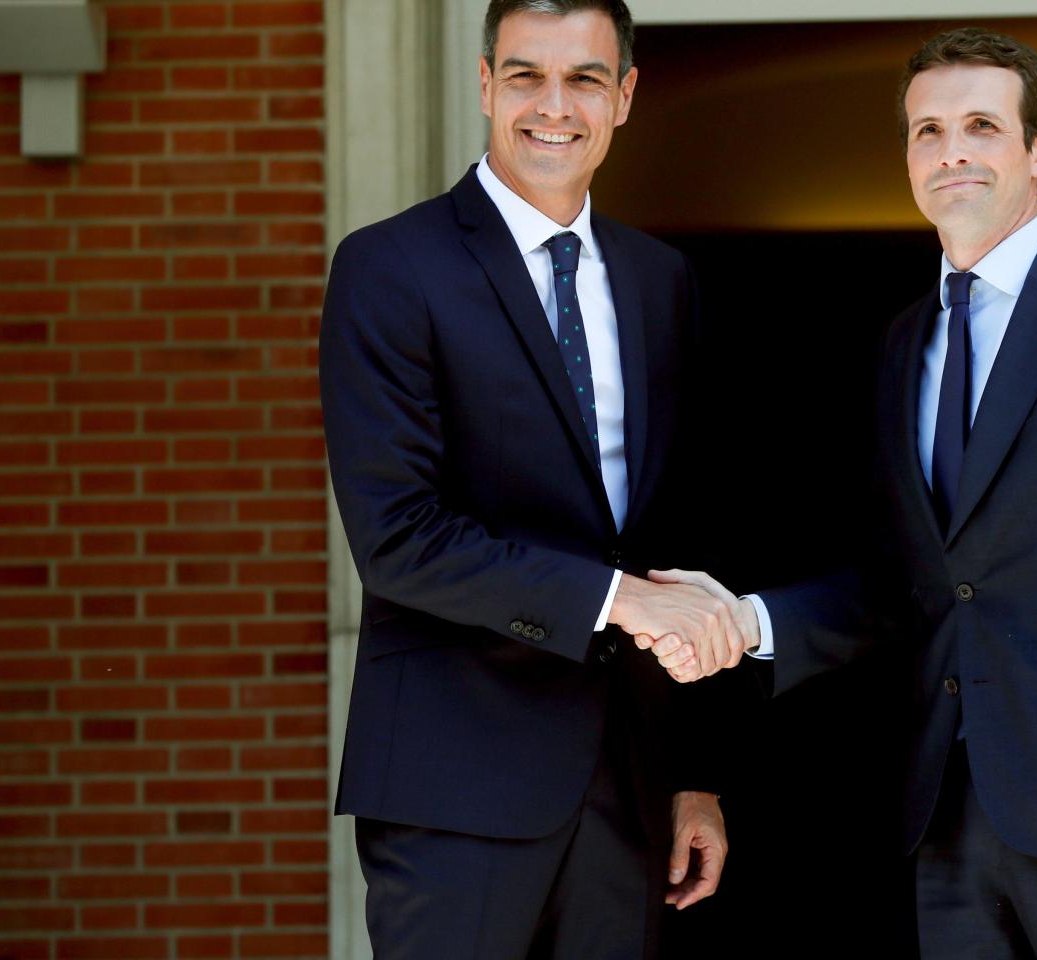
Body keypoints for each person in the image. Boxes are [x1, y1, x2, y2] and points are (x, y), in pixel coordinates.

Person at [646, 27, 1037, 959]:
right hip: (945, 824)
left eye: (981, 126)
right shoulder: (902, 344)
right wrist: (749, 622)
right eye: (928, 131)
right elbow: (910, 588)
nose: (951, 150)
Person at [319, 1, 750, 956]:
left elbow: (681, 539)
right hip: (455, 783)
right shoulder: (390, 266)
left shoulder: (660, 280)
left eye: (585, 79)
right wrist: (619, 599)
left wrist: (695, 774)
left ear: (624, 96)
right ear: (484, 84)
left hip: (628, 787)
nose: (554, 106)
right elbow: (399, 537)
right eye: (525, 76)